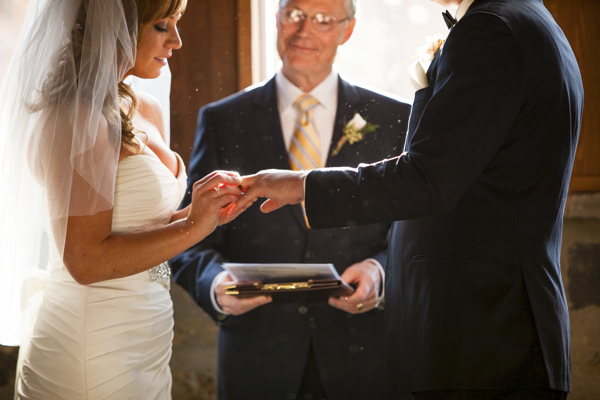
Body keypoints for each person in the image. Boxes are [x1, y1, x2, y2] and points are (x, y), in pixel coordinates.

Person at [235, 0, 584, 399]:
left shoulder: (492, 30)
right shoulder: (525, 20)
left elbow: (427, 180)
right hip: (489, 331)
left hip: (480, 337)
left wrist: (303, 186)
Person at [0, 0, 246, 398]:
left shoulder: (143, 105)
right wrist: (193, 226)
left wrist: (206, 209)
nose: (177, 41)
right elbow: (84, 260)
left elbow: (140, 226)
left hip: (144, 334)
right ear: (112, 27)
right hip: (92, 342)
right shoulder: (73, 118)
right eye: (162, 26)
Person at [170, 0, 412, 399]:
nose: (304, 31)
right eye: (295, 14)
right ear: (277, 19)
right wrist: (214, 284)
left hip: (364, 360)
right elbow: (189, 235)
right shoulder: (224, 119)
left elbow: (413, 230)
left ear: (348, 30)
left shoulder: (392, 118)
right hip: (256, 359)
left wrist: (379, 272)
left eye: (322, 20)